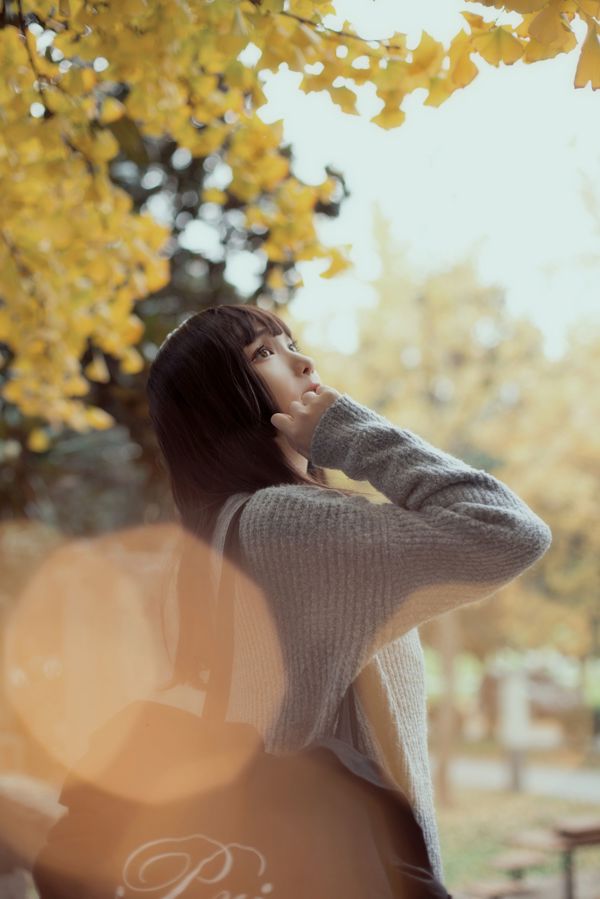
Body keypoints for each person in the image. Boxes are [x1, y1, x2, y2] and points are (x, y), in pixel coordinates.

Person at [145, 302, 552, 880]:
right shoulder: (286, 525)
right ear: (223, 401)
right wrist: (347, 432)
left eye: (289, 342)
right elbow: (505, 530)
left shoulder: (197, 551)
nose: (305, 363)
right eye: (264, 354)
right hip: (350, 872)